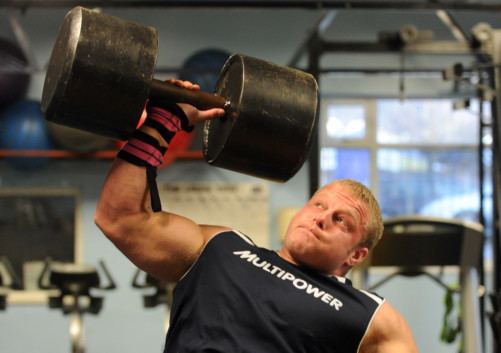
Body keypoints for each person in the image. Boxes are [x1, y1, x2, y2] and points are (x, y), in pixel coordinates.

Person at [95, 80, 419, 353]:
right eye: (319, 206)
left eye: (342, 220)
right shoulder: (220, 247)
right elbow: (119, 218)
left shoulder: (371, 316)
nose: (322, 218)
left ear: (357, 254)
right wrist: (165, 120)